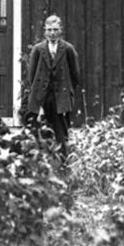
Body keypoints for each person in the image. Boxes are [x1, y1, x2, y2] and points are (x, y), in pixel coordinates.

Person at [26, 14, 81, 158]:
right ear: (45, 31)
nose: (52, 33)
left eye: (55, 30)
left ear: (60, 30)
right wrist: (37, 94)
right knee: (41, 132)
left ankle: (62, 162)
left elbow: (75, 75)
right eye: (49, 30)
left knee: (60, 132)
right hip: (42, 96)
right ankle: (44, 162)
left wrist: (67, 92)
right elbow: (31, 75)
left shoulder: (68, 49)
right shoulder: (38, 49)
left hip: (60, 96)